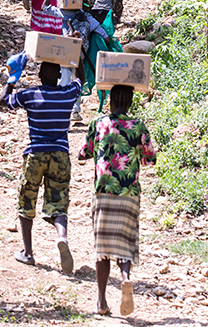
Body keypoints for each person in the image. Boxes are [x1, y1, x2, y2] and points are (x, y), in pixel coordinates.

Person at [78, 85, 156, 316]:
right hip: (129, 193)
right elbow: (150, 159)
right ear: (130, 103)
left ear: (111, 101)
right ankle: (125, 278)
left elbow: (83, 153)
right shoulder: (138, 125)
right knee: (126, 241)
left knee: (101, 248)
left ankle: (101, 301)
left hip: (103, 191)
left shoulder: (98, 123)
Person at [2, 56, 82, 275]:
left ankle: (28, 253)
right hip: (60, 155)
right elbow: (81, 79)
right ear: (59, 76)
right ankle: (62, 238)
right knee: (59, 199)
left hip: (35, 154)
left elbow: (3, 101)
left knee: (26, 198)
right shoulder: (67, 94)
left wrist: (13, 78)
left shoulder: (29, 95)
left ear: (38, 76)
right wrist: (76, 57)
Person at [42, 0, 111, 122]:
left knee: (63, 79)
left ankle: (60, 110)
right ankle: (74, 110)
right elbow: (106, 37)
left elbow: (44, 7)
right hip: (80, 56)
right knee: (77, 81)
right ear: (90, 6)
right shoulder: (90, 19)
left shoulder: (65, 14)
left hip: (64, 52)